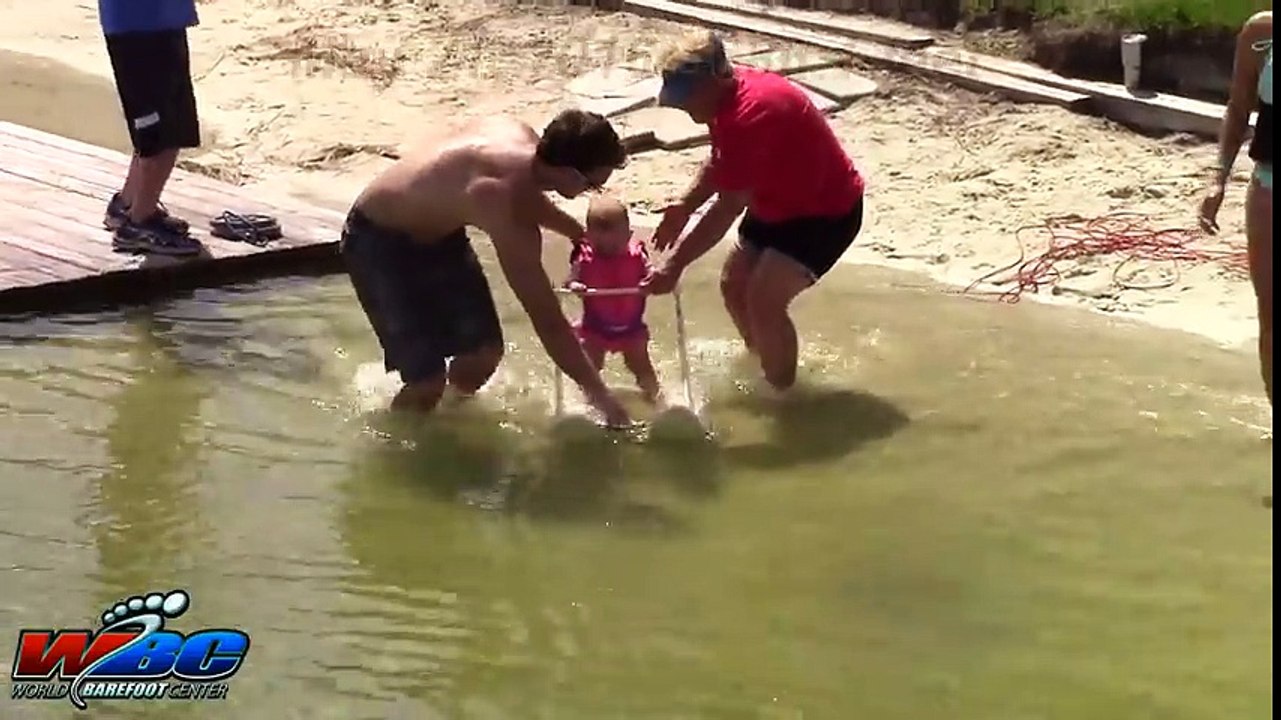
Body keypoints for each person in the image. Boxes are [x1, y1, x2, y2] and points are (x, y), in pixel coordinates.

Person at [340, 110, 633, 428]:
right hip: (377, 240)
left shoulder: (519, 139)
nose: (591, 194)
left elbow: (526, 192)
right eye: (592, 186)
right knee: (427, 382)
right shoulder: (501, 203)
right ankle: (396, 445)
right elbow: (548, 320)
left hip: (439, 234)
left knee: (483, 356)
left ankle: (446, 421)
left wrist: (578, 233)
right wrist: (601, 399)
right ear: (572, 174)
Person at [641, 30, 866, 392]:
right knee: (734, 286)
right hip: (776, 201)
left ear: (712, 80)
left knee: (764, 302)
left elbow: (728, 207)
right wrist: (685, 205)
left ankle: (783, 398)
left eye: (686, 98)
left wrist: (674, 266)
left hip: (825, 212)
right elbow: (722, 161)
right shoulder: (722, 100)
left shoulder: (754, 112)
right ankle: (766, 361)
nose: (682, 107)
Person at [1200, 11, 1272, 411]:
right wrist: (1218, 179)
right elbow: (1239, 107)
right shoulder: (1261, 33)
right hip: (1269, 191)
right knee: (1271, 315)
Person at [98, 0, 204, 256]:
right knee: (163, 135)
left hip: (155, 23)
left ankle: (128, 204)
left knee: (157, 129)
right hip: (143, 28)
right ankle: (139, 224)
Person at [563, 195, 664, 405]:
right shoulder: (583, 258)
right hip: (594, 328)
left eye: (615, 245)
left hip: (631, 328)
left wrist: (652, 281)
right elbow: (570, 281)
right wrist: (575, 285)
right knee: (590, 366)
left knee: (640, 366)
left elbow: (651, 273)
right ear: (589, 238)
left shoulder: (638, 255)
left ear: (628, 235)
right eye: (601, 246)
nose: (608, 250)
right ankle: (587, 403)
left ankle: (657, 401)